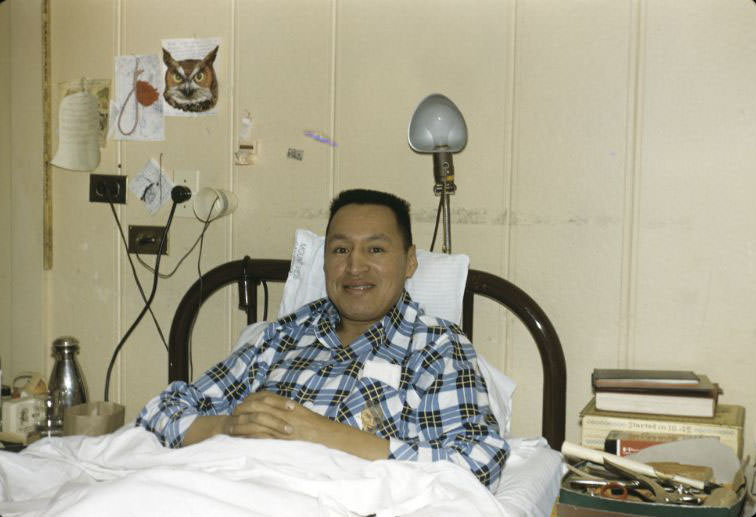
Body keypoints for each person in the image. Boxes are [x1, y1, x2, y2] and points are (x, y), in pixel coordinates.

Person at [137, 189, 508, 490]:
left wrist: (325, 435)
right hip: (234, 492)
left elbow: (476, 463)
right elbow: (158, 414)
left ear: (410, 261)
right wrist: (225, 428)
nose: (355, 266)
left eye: (375, 249)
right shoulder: (281, 337)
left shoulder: (436, 348)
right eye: (340, 249)